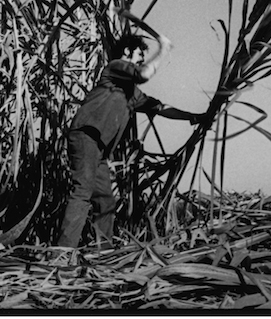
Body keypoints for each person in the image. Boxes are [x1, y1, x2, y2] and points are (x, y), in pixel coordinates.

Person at [55, 31, 208, 249]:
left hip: (98, 149)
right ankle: (61, 252)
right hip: (86, 136)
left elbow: (161, 108)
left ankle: (103, 251)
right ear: (127, 52)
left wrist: (194, 117)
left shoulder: (132, 94)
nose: (141, 61)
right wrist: (163, 49)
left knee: (105, 201)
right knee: (82, 192)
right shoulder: (115, 66)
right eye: (139, 55)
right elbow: (144, 74)